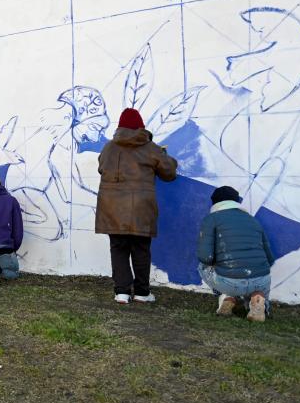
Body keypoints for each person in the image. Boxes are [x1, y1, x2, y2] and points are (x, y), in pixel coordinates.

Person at [95, 108, 178, 304]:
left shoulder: (108, 148)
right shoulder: (151, 148)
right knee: (141, 249)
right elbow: (169, 174)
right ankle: (142, 292)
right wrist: (167, 157)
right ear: (141, 126)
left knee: (118, 248)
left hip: (112, 207)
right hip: (141, 208)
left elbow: (101, 168)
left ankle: (122, 292)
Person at [197, 186, 275, 322]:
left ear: (215, 202)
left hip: (230, 281)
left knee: (202, 266)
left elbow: (205, 257)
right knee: (258, 287)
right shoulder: (253, 220)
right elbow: (270, 259)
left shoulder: (211, 219)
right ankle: (257, 299)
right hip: (262, 279)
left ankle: (226, 296)